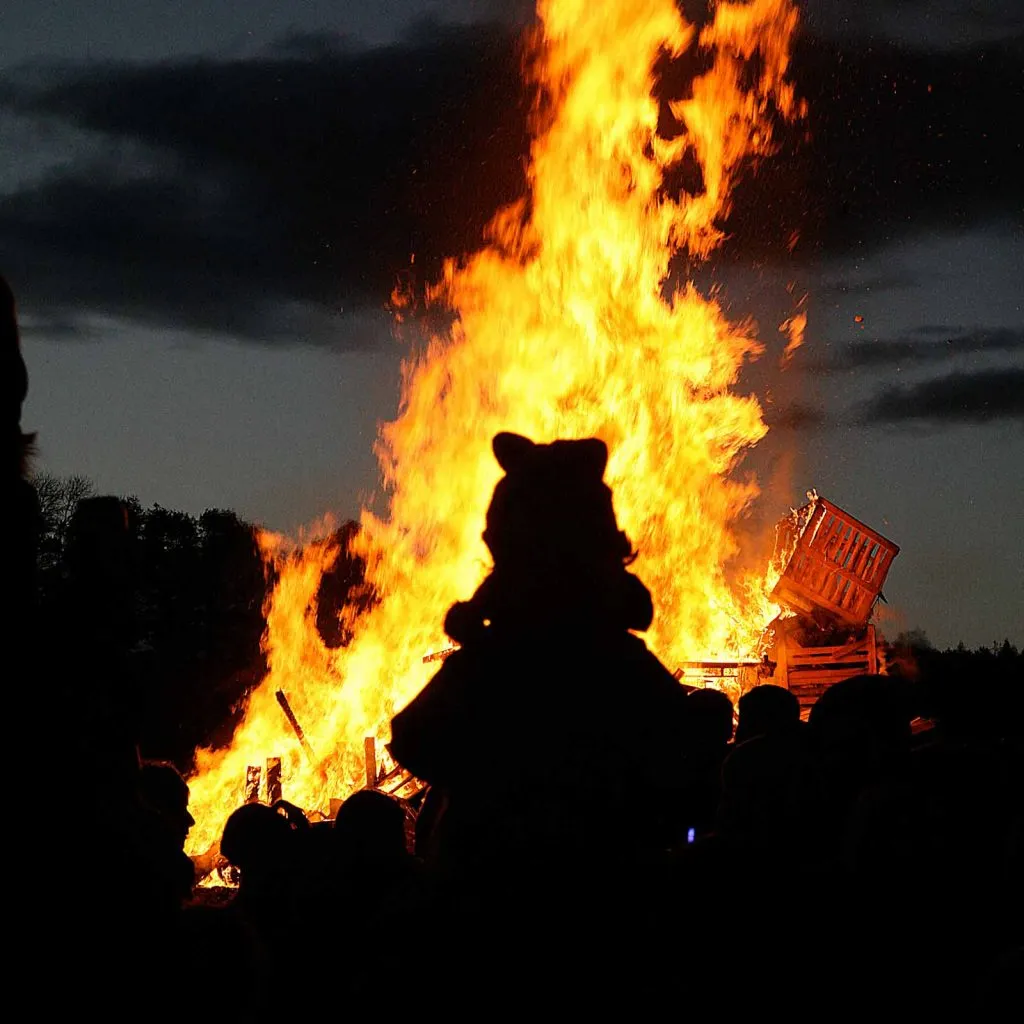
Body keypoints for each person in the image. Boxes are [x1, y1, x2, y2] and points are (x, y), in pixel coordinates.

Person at [390, 432, 690, 890]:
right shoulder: (617, 660)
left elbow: (412, 736)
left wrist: (483, 785)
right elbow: (683, 740)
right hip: (610, 883)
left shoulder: (494, 662)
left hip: (489, 885)